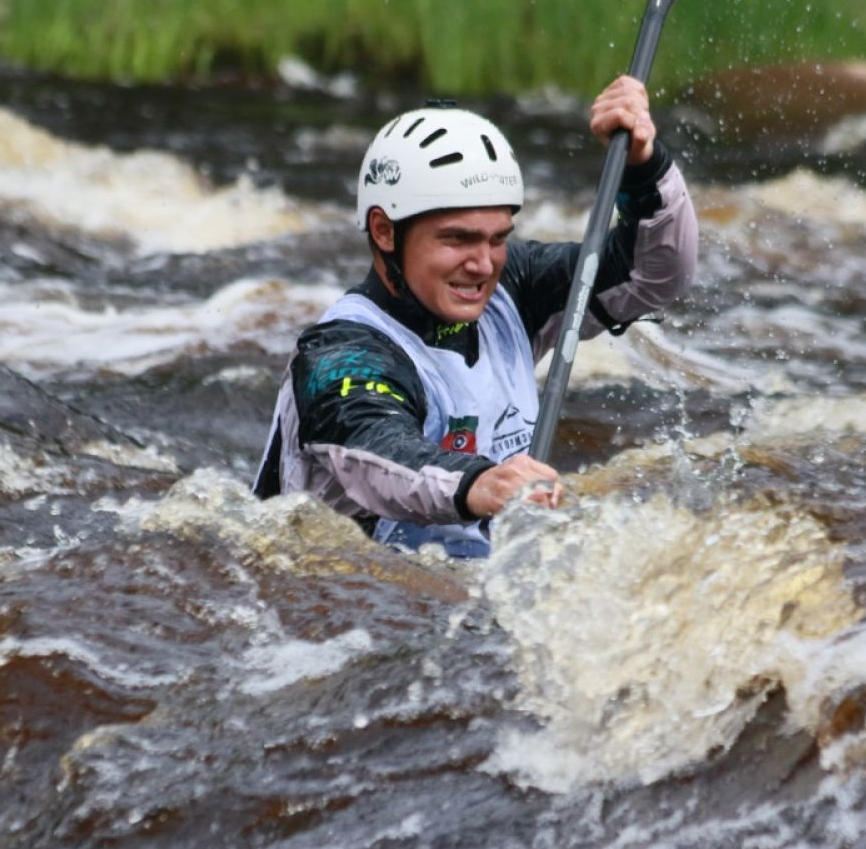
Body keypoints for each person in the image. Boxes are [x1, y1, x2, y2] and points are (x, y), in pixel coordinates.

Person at [253, 76, 699, 558]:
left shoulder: (513, 291)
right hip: (346, 595)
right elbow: (379, 450)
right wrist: (481, 483)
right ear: (384, 230)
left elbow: (655, 274)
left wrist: (643, 166)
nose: (483, 265)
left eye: (497, 238)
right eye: (458, 239)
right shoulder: (339, 354)